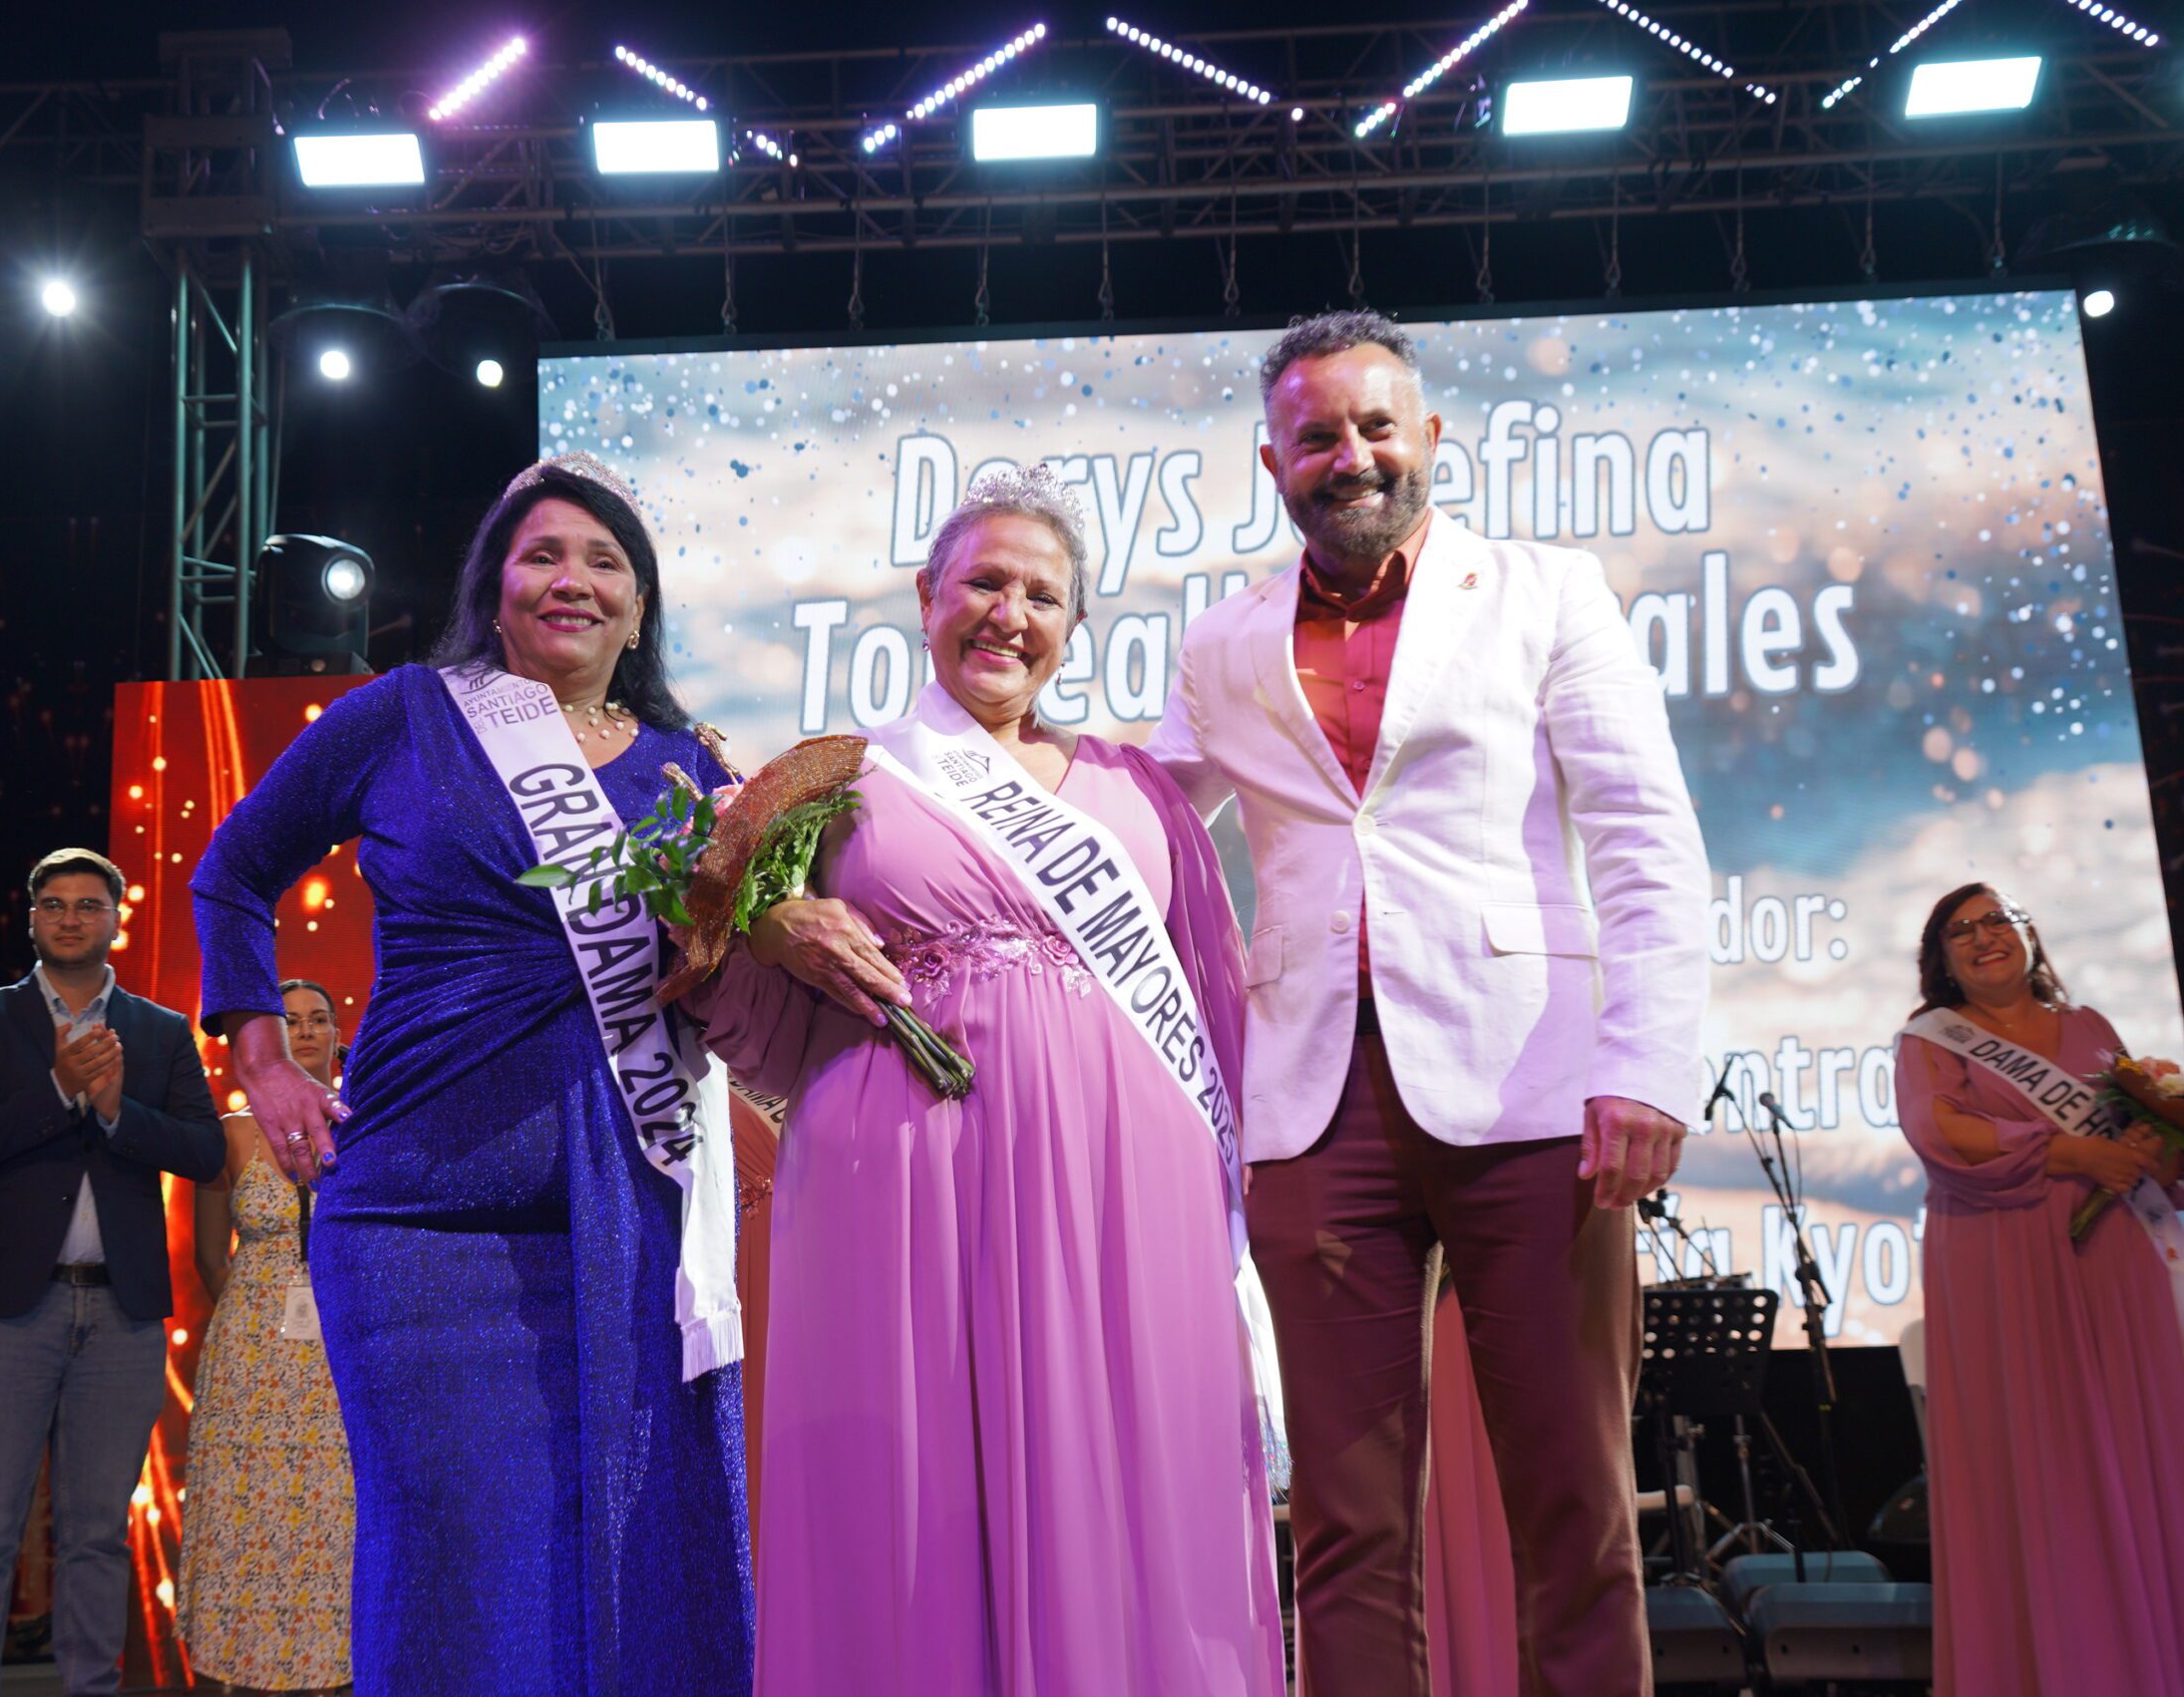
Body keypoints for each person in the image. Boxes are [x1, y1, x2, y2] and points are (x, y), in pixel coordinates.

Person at [1147, 308, 1709, 1696]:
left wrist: (1645, 1062)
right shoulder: (1220, 643)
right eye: (1318, 434)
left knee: (1577, 1506)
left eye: (1377, 424)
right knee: (1346, 1522)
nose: (1353, 454)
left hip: (1532, 1091)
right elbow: (1142, 826)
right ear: (1272, 459)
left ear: (1431, 437)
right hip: (1311, 1107)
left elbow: (1643, 833)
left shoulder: (1545, 589)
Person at [692, 464, 1283, 1695]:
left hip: (1133, 1189)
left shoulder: (1140, 792)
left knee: (1133, 1470)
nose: (1009, 613)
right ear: (927, 595)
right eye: (985, 582)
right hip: (901, 1173)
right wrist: (758, 921)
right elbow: (746, 1021)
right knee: (909, 1485)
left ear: (1073, 628)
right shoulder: (834, 780)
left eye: (1043, 594)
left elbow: (1214, 1009)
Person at [190, 454, 751, 1694]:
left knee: (618, 1531)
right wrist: (263, 1057)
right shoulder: (407, 712)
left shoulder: (690, 771)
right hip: (412, 1222)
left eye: (607, 562)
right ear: (493, 588)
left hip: (626, 1214)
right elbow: (231, 871)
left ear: (641, 606)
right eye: (543, 555)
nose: (574, 581)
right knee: (450, 1538)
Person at [0, 848, 225, 1697]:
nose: (69, 918)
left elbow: (207, 1154)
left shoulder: (163, 1030)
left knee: (98, 1535)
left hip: (123, 1318)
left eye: (88, 905)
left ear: (115, 917)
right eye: (53, 905)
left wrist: (115, 1113)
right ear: (30, 918)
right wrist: (58, 1090)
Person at [1894, 883, 2184, 1694]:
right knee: (2041, 1456)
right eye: (1963, 931)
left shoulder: (2090, 1027)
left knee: (2139, 1449)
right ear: (1942, 960)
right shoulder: (1930, 1041)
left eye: (2000, 921)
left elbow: (2137, 1131)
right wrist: (2075, 1156)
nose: (1985, 938)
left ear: (2029, 936)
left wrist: (2154, 1144)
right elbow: (1941, 1132)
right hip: (2002, 1264)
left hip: (2116, 1262)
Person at [180, 978, 356, 1694]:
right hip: (252, 1358)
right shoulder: (233, 1130)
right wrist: (255, 1320)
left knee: (337, 1519)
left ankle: (340, 1673)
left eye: (321, 1018)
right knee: (246, 1520)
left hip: (344, 1350)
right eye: (292, 1021)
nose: (307, 1031)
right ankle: (243, 1673)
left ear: (339, 1034)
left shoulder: (369, 1122)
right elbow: (205, 1254)